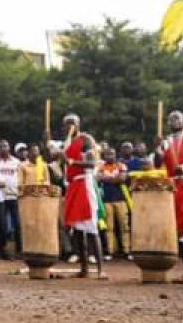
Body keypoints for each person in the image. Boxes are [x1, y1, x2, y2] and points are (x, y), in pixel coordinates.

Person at [62, 114, 107, 280]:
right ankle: (84, 269)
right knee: (78, 231)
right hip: (73, 185)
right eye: (66, 124)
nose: (69, 127)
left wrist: (73, 162)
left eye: (72, 123)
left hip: (85, 184)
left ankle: (101, 269)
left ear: (78, 124)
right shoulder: (67, 143)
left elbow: (92, 163)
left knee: (92, 229)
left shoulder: (85, 139)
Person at [154, 110, 183, 268]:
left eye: (177, 118)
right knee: (175, 225)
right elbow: (158, 163)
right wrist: (157, 147)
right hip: (172, 186)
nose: (174, 121)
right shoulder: (166, 141)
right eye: (171, 119)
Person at [96, 147, 131, 261]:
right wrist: (114, 178)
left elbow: (122, 179)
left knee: (124, 226)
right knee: (109, 227)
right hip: (106, 200)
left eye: (112, 154)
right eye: (107, 154)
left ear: (116, 155)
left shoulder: (121, 166)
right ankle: (110, 251)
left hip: (120, 199)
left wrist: (107, 178)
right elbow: (98, 178)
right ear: (104, 156)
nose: (110, 156)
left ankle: (127, 251)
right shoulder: (100, 167)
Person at [0, 139, 22, 254]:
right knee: (2, 225)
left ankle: (20, 249)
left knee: (18, 224)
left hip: (14, 196)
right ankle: (2, 249)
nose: (3, 148)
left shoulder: (17, 162)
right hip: (0, 197)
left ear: (9, 148)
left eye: (5, 146)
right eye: (0, 146)